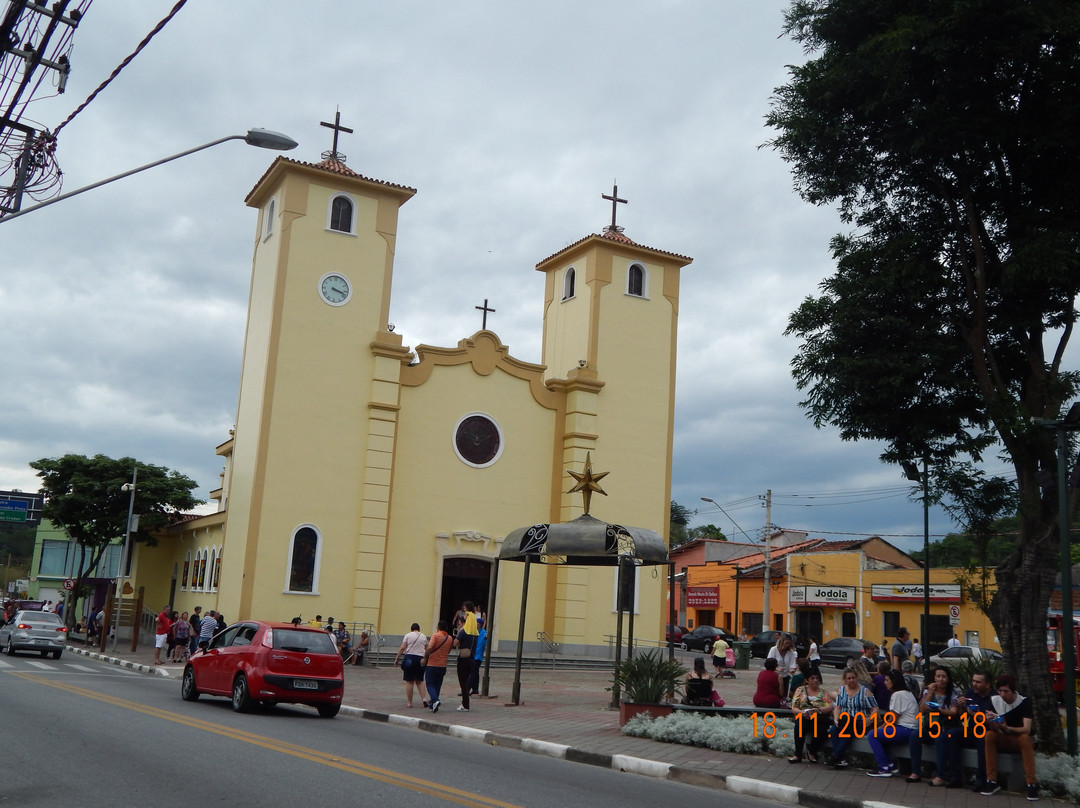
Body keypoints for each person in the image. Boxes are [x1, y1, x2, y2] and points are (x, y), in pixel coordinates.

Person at [980, 674, 1038, 800]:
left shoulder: (1024, 702)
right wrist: (989, 721)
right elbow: (992, 728)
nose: (1002, 694)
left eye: (1006, 691)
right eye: (1000, 691)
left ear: (1012, 690)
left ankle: (1031, 783)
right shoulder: (994, 700)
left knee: (1024, 739)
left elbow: (1026, 729)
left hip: (1017, 738)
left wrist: (1007, 728)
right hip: (1002, 737)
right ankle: (991, 780)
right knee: (989, 735)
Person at [908, 664, 963, 786]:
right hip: (931, 728)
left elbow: (954, 712)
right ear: (934, 678)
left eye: (943, 676)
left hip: (947, 728)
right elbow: (922, 709)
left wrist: (939, 711)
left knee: (940, 738)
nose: (941, 679)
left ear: (948, 678)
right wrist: (929, 693)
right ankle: (915, 772)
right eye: (938, 676)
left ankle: (940, 775)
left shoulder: (955, 692)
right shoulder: (928, 691)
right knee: (915, 735)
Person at [866, 669, 920, 776]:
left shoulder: (898, 694)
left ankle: (884, 767)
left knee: (873, 735)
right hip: (910, 729)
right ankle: (890, 765)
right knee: (881, 735)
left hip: (906, 729)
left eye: (887, 680)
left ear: (894, 681)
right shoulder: (907, 692)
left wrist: (880, 728)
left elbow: (893, 718)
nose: (884, 682)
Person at [826, 665, 877, 769]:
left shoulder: (865, 691)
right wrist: (836, 718)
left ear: (857, 678)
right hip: (845, 722)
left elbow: (875, 708)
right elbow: (838, 707)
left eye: (853, 678)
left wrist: (870, 719)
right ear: (845, 680)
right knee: (834, 730)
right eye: (849, 678)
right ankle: (839, 758)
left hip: (859, 721)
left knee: (846, 724)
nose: (851, 680)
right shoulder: (842, 690)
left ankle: (835, 756)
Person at [958, 669, 995, 792]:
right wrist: (962, 707)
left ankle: (981, 780)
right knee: (949, 736)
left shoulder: (995, 698)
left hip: (988, 731)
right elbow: (962, 715)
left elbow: (994, 721)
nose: (974, 684)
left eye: (978, 682)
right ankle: (954, 776)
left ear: (988, 685)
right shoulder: (970, 694)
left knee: (981, 740)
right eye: (973, 681)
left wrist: (976, 715)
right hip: (971, 729)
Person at [789, 668, 832, 763]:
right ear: (807, 680)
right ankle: (797, 754)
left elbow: (829, 706)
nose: (815, 680)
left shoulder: (823, 692)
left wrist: (818, 710)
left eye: (817, 678)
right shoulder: (800, 690)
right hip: (804, 717)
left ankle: (811, 751)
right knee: (800, 725)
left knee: (822, 731)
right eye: (812, 678)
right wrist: (802, 712)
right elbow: (794, 707)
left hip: (818, 718)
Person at [393, 622, 428, 708]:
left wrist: (397, 658)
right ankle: (424, 699)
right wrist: (426, 658)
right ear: (419, 629)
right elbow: (427, 648)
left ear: (411, 629)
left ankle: (409, 702)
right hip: (420, 659)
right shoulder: (423, 636)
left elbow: (402, 647)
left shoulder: (408, 635)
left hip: (409, 658)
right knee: (420, 680)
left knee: (409, 681)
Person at [452, 601, 477, 711]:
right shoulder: (475, 633)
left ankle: (465, 704)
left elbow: (455, 643)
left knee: (463, 683)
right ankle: (465, 703)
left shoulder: (463, 632)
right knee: (466, 681)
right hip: (472, 659)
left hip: (463, 659)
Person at [423, 620, 452, 712]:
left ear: (438, 627)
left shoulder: (435, 635)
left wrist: (425, 657)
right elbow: (449, 650)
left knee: (430, 684)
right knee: (438, 685)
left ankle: (435, 700)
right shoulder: (449, 638)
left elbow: (430, 647)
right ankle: (433, 705)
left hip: (432, 664)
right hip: (443, 665)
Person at [767, 633, 798, 698]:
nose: (788, 645)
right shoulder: (774, 649)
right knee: (774, 694)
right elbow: (768, 663)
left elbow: (792, 665)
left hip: (785, 677)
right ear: (782, 642)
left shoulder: (791, 652)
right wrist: (776, 668)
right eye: (786, 643)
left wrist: (792, 670)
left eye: (789, 643)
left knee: (783, 696)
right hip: (774, 676)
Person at [468, 618, 488, 695]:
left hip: (478, 656)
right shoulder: (474, 632)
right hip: (472, 654)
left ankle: (467, 688)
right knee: (475, 673)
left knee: (472, 673)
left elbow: (483, 642)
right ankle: (475, 689)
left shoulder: (483, 633)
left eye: (477, 624)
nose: (476, 625)